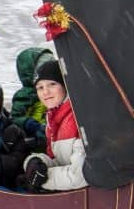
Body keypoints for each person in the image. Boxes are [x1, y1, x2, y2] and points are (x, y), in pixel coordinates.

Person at [21, 58, 87, 191]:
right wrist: (35, 162)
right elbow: (60, 161)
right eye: (40, 87)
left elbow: (81, 176)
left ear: (64, 85)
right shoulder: (54, 118)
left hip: (92, 198)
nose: (45, 92)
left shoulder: (79, 117)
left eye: (52, 84)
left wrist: (44, 180)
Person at [9, 47, 52, 151]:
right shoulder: (26, 95)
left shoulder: (55, 90)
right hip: (36, 137)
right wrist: (29, 124)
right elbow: (14, 118)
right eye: (43, 68)